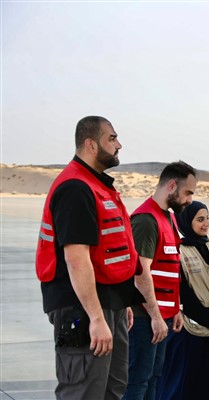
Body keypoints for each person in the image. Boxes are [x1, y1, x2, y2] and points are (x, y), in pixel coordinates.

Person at [35, 116, 143, 399]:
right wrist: (96, 318)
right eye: (112, 138)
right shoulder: (75, 188)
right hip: (82, 308)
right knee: (84, 391)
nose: (119, 144)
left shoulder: (97, 185)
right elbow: (76, 259)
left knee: (112, 388)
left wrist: (122, 301)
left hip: (110, 303)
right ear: (91, 144)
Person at [124, 161, 197, 400]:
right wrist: (156, 316)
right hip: (145, 317)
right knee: (137, 383)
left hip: (162, 316)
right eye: (188, 193)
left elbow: (170, 268)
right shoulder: (145, 220)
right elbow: (140, 273)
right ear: (172, 185)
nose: (189, 200)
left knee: (154, 379)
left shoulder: (170, 219)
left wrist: (175, 309)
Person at [156, 201, 209, 399]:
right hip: (192, 330)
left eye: (207, 218)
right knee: (187, 386)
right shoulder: (178, 251)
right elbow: (183, 293)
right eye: (200, 219)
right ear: (186, 221)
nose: (206, 223)